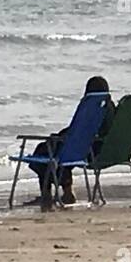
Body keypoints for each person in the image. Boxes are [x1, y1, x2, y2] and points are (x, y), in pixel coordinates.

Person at [28, 75, 114, 206]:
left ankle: (48, 194)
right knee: (59, 150)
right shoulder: (110, 111)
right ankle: (66, 191)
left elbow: (78, 131)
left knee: (46, 150)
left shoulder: (89, 110)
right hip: (101, 150)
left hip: (87, 151)